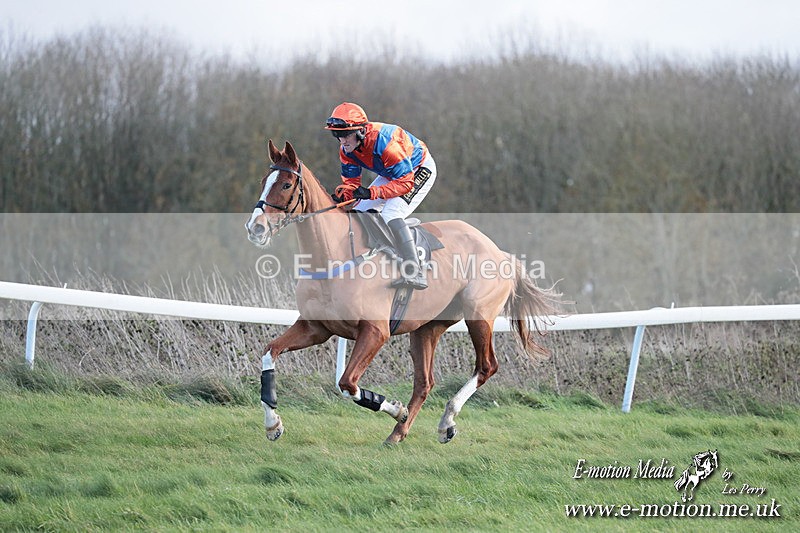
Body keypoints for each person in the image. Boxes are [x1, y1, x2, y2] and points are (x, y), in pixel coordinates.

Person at [326, 102, 436, 290]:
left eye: (345, 135)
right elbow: (351, 184)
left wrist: (371, 192)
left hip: (418, 170)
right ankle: (380, 255)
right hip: (392, 174)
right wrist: (343, 196)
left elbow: (406, 183)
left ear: (360, 131)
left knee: (391, 213)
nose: (342, 141)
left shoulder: (386, 145)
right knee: (360, 210)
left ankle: (414, 270)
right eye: (337, 135)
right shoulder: (347, 150)